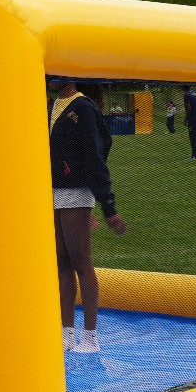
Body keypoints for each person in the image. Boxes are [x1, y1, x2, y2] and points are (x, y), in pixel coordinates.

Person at [48, 79, 127, 354]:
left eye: (55, 72)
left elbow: (97, 153)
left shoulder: (83, 107)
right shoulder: (52, 105)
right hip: (53, 191)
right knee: (62, 263)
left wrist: (107, 206)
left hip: (75, 191)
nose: (49, 77)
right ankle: (66, 333)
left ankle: (90, 336)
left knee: (81, 262)